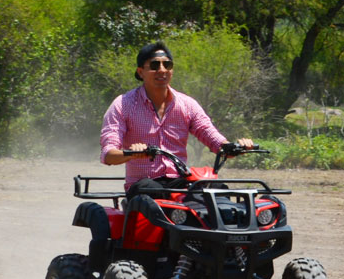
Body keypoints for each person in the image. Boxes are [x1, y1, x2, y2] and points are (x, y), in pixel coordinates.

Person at [99, 41, 253, 197]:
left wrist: (233, 147)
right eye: (154, 65)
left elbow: (212, 137)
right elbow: (108, 155)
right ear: (140, 72)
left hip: (180, 183)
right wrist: (132, 153)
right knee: (151, 189)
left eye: (167, 65)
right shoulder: (123, 105)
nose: (162, 70)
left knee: (216, 188)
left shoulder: (187, 105)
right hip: (143, 186)